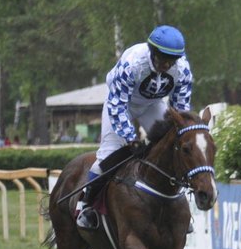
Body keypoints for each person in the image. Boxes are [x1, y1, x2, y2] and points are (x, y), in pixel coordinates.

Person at [74, 25, 194, 229]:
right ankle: (85, 206)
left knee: (173, 145)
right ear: (152, 52)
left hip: (152, 105)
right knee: (110, 153)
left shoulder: (182, 69)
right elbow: (117, 104)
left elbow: (180, 109)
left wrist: (183, 130)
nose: (166, 64)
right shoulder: (133, 63)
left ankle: (177, 207)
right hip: (121, 104)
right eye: (162, 58)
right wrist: (130, 138)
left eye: (170, 60)